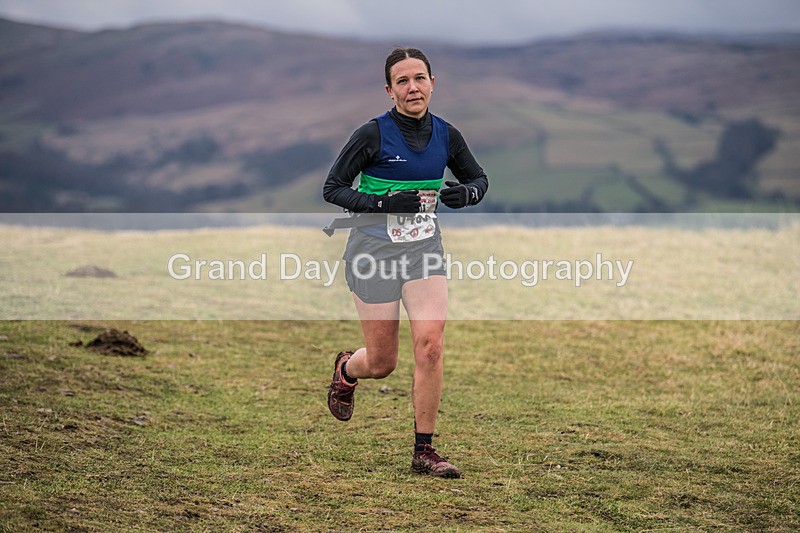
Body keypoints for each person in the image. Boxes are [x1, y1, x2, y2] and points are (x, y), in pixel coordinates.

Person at [322, 47, 488, 478]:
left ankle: (424, 451)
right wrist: (383, 202)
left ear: (433, 82)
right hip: (372, 252)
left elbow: (478, 179)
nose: (412, 87)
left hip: (422, 251)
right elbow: (333, 188)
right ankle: (346, 368)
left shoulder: (447, 135)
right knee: (382, 363)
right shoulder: (372, 134)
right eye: (402, 80)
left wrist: (465, 194)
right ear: (390, 89)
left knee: (430, 345)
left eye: (420, 78)